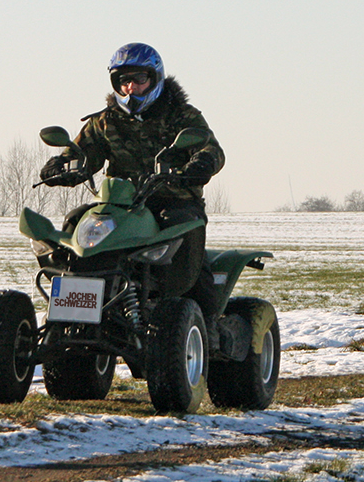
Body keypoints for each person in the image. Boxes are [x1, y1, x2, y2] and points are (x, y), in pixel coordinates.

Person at [39, 42, 226, 316]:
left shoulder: (182, 115)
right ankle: (72, 309)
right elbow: (83, 154)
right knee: (74, 222)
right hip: (119, 204)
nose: (131, 87)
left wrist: (201, 164)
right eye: (124, 81)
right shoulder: (105, 121)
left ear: (155, 79)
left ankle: (208, 324)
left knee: (185, 237)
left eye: (139, 79)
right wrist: (61, 167)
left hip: (172, 200)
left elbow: (211, 149)